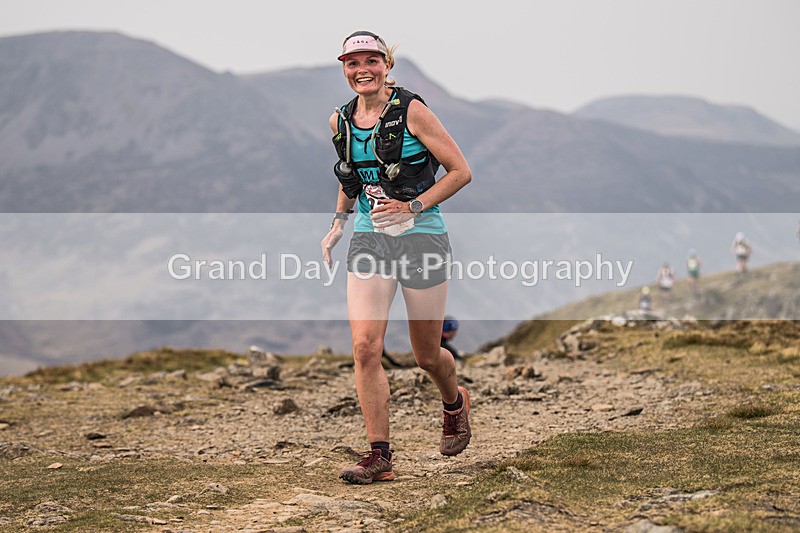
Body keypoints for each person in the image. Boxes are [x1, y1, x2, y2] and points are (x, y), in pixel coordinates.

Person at [320, 31, 473, 485]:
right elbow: (352, 178)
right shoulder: (340, 121)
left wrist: (412, 206)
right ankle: (378, 454)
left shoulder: (413, 111)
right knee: (366, 347)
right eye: (352, 62)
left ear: (387, 65)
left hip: (422, 236)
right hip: (371, 239)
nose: (361, 70)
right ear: (343, 67)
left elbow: (461, 171)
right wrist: (338, 224)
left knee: (426, 355)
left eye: (371, 61)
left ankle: (454, 401)